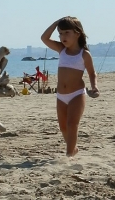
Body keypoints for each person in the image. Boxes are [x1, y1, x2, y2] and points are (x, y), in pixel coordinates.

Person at [41, 16, 99, 157]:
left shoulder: (84, 54)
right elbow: (44, 38)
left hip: (77, 94)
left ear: (77, 33)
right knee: (63, 127)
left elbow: (92, 73)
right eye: (60, 33)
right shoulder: (61, 50)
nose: (62, 37)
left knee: (72, 124)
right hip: (61, 95)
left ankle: (69, 155)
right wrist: (56, 23)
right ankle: (73, 148)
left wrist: (94, 87)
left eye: (67, 33)